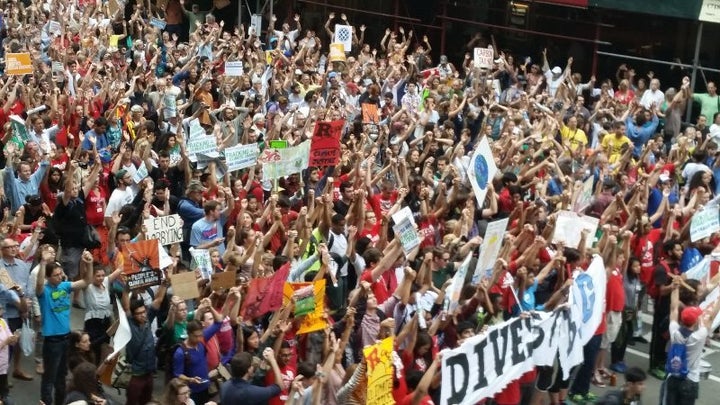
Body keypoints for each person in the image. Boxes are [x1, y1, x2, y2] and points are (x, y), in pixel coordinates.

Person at [35, 249, 92, 405]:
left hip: (66, 338)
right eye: (56, 275)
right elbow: (39, 285)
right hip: (52, 341)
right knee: (49, 377)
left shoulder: (65, 286)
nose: (60, 276)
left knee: (62, 377)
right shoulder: (44, 291)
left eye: (61, 273)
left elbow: (87, 281)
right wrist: (43, 262)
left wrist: (89, 263)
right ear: (48, 277)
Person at [663, 276, 720, 405]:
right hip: (690, 380)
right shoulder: (699, 336)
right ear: (695, 322)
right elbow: (711, 317)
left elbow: (673, 308)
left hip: (673, 377)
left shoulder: (675, 332)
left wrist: (675, 288)